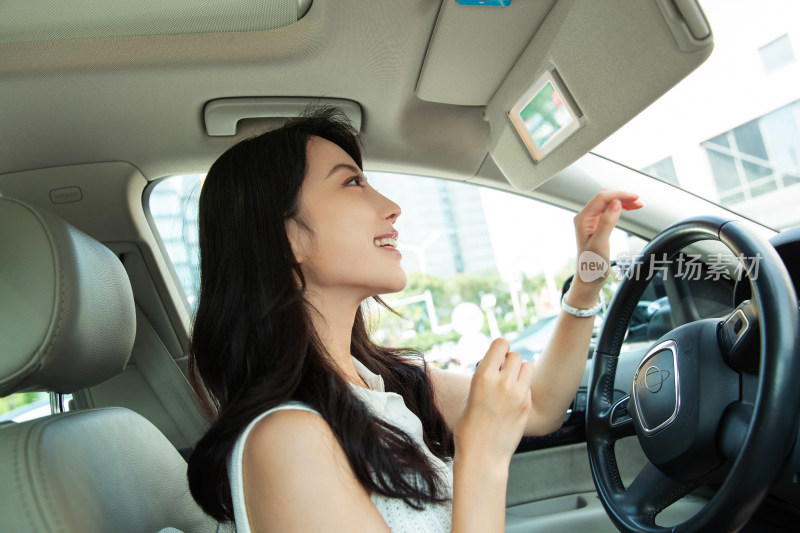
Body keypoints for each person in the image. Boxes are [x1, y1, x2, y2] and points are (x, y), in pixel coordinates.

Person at [186, 107, 643, 532]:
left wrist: (587, 280)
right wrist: (481, 454)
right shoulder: (285, 440)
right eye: (352, 184)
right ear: (284, 238)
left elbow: (541, 406)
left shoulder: (384, 385)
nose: (391, 206)